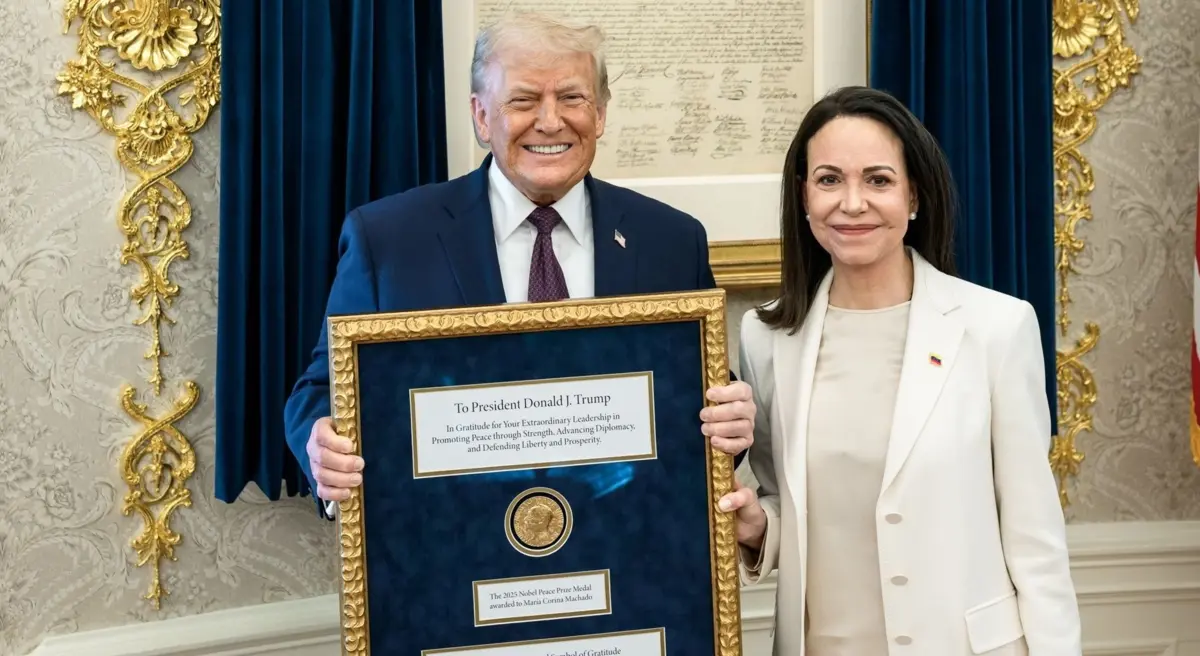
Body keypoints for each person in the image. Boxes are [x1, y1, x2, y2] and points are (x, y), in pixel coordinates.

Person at [282, 12, 756, 517]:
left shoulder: (670, 240)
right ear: (482, 116)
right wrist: (324, 447)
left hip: (626, 548)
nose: (550, 121)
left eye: (572, 98)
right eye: (523, 100)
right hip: (448, 551)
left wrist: (730, 423)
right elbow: (324, 389)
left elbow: (701, 398)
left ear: (599, 113)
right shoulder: (389, 240)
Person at [717, 86, 1081, 654]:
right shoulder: (765, 337)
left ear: (914, 196)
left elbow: (1035, 539)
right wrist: (758, 528)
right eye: (830, 179)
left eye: (879, 180)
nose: (852, 203)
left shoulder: (996, 328)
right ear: (804, 197)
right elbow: (785, 501)